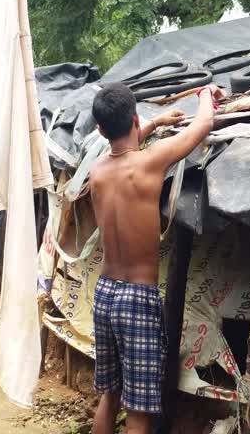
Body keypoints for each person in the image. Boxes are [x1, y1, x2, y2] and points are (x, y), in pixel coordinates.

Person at [88, 82, 222, 434]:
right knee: (138, 413)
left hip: (104, 294)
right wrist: (206, 94)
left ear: (101, 130)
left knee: (110, 395)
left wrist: (155, 121)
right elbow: (203, 125)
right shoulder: (151, 161)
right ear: (134, 118)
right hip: (137, 299)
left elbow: (122, 143)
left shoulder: (97, 171)